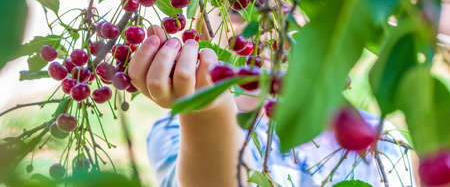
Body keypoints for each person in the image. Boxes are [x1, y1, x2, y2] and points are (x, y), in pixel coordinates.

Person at [127, 22, 418, 187]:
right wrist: (205, 112)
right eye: (238, 6)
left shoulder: (380, 141)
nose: (262, 13)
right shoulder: (174, 133)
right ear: (199, 22)